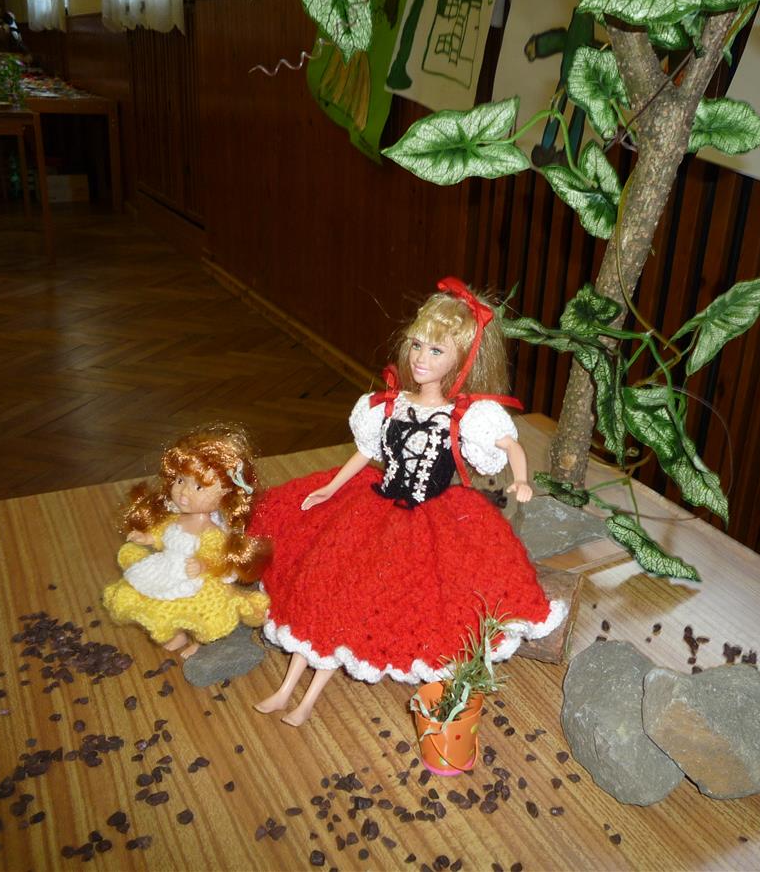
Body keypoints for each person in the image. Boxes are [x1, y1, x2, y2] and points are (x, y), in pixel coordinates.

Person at [248, 277, 567, 726]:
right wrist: (332, 488)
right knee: (321, 589)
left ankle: (305, 701)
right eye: (417, 345)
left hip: (425, 519)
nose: (421, 358)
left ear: (460, 360)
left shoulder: (466, 415)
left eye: (436, 351)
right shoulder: (390, 404)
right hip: (372, 503)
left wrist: (522, 479)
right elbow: (366, 452)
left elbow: (510, 445)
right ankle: (285, 690)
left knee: (349, 606)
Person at [103, 424, 272, 660]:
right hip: (166, 568)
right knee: (153, 603)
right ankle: (176, 635)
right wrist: (147, 537)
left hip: (195, 578)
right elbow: (164, 535)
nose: (184, 493)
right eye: (181, 481)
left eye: (199, 487)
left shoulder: (211, 531)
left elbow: (217, 556)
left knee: (197, 611)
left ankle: (196, 641)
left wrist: (202, 565)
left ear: (225, 493)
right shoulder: (176, 518)